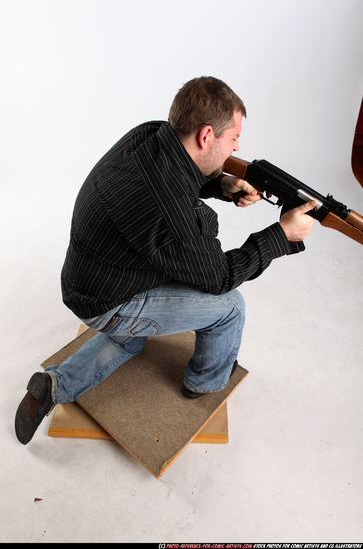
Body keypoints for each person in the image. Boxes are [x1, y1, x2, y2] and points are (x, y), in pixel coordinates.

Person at [15, 76, 315, 445]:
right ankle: (204, 383)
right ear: (206, 136)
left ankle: (54, 384)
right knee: (230, 307)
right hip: (111, 297)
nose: (238, 145)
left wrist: (219, 184)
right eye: (234, 137)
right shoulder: (170, 215)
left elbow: (176, 178)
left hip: (90, 278)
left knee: (128, 340)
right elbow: (219, 277)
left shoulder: (150, 134)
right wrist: (282, 235)